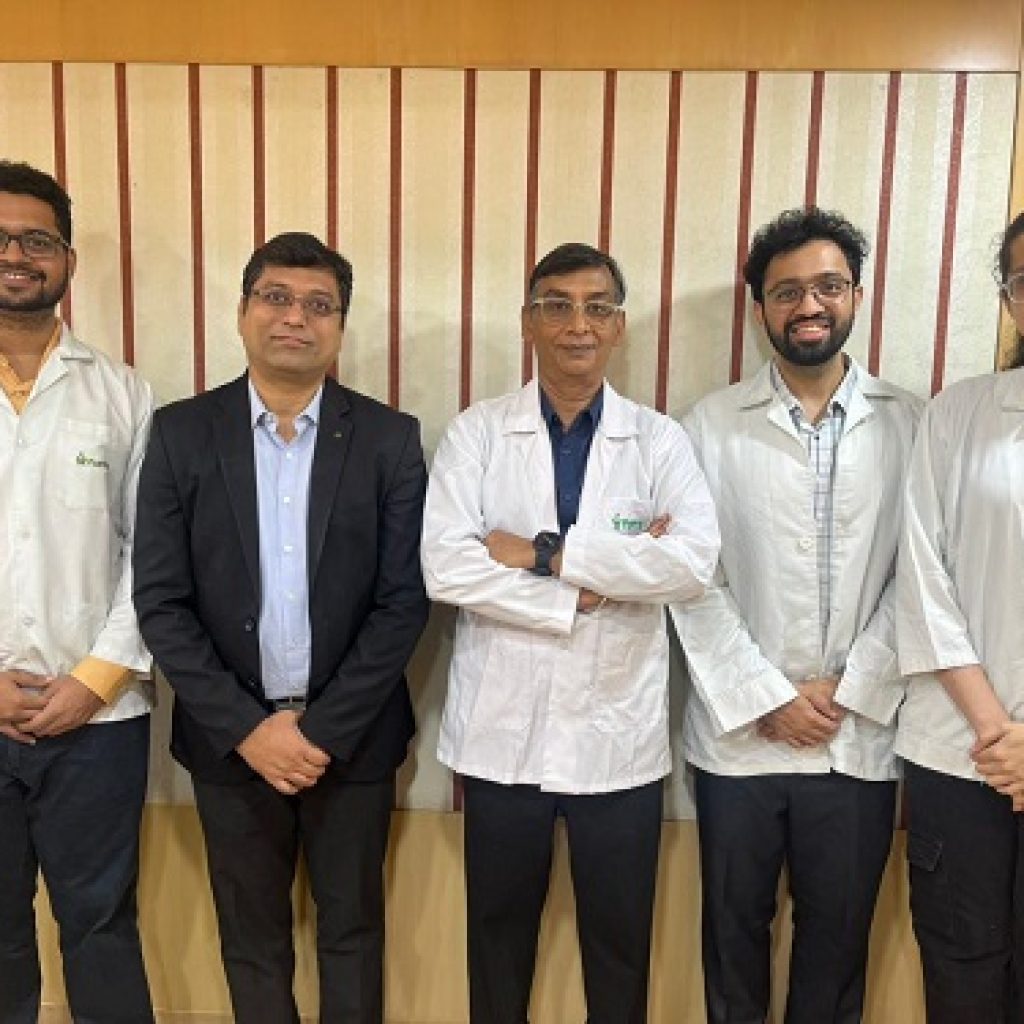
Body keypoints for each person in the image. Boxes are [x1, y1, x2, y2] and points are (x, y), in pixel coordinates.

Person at [133, 232, 429, 1024]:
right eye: (276, 297)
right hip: (229, 742)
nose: (296, 317)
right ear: (243, 312)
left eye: (318, 304)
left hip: (353, 741)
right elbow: (161, 601)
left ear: (340, 326)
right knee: (251, 940)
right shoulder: (181, 434)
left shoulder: (390, 440)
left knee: (353, 933)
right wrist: (248, 730)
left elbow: (404, 601)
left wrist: (321, 731)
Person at [422, 242, 720, 1024]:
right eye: (556, 306)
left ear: (619, 327)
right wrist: (580, 596)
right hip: (502, 739)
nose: (576, 325)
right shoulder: (477, 434)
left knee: (619, 953)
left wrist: (546, 554)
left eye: (596, 308)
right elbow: (446, 570)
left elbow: (690, 565)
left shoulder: (659, 440)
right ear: (528, 322)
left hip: (617, 741)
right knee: (497, 949)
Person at [672, 207, 921, 1024]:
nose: (809, 305)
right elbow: (692, 580)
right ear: (760, 309)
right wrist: (768, 696)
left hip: (856, 736)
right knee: (732, 942)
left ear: (856, 296)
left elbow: (922, 577)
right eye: (787, 292)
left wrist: (851, 689)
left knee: (836, 952)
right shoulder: (707, 425)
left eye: (827, 286)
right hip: (741, 741)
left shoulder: (912, 423)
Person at [0, 160, 154, 1023]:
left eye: (36, 239)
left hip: (97, 719)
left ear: (67, 260)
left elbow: (152, 558)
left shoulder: (122, 392)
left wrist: (94, 680)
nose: (16, 255)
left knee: (101, 928)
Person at [896, 211, 1024, 1023]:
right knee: (962, 978)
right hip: (960, 755)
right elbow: (922, 580)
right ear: (1009, 299)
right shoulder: (958, 414)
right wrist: (998, 733)